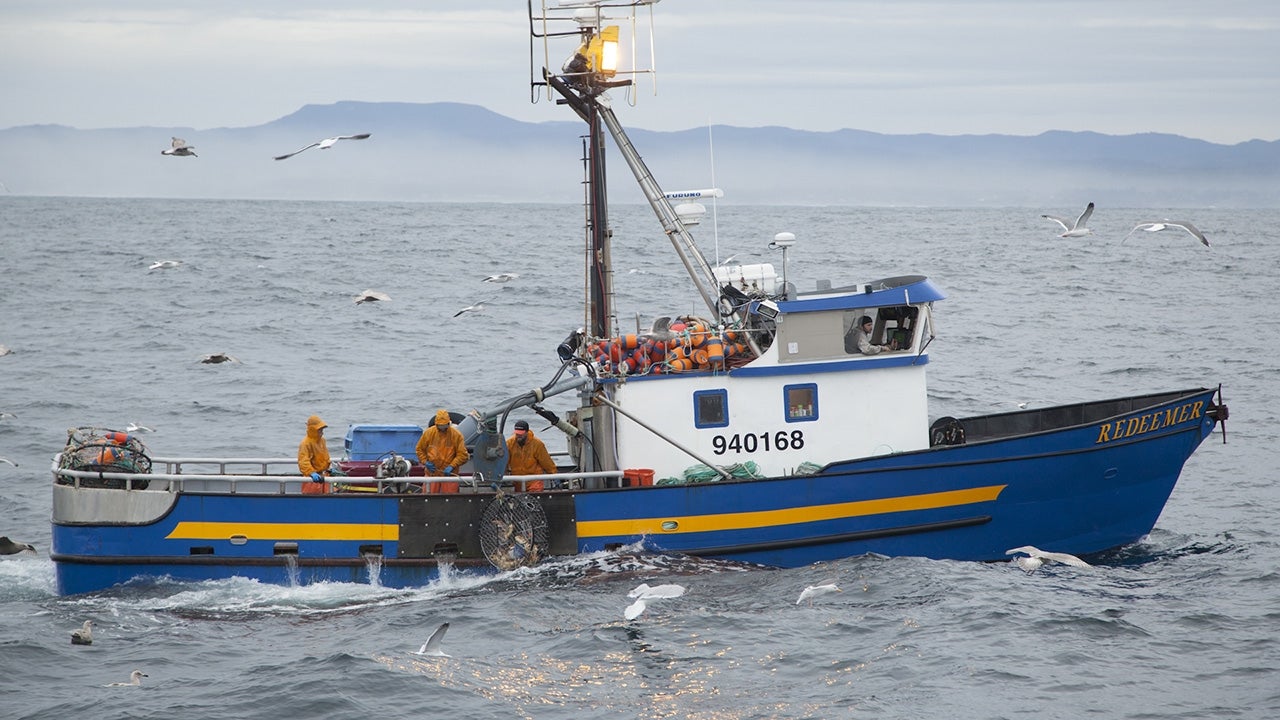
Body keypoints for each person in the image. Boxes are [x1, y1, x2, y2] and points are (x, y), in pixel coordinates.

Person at [506, 419, 556, 492]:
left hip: (534, 480)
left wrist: (554, 475)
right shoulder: (509, 443)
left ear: (527, 432)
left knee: (535, 494)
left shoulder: (537, 444)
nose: (519, 436)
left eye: (521, 434)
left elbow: (546, 462)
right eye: (517, 433)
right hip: (517, 480)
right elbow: (504, 462)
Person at [416, 409, 469, 477]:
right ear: (436, 424)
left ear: (449, 423)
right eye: (440, 425)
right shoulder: (428, 433)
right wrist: (425, 462)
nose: (442, 428)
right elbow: (419, 449)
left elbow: (463, 455)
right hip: (431, 474)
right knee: (429, 484)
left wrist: (452, 466)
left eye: (444, 425)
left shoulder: (456, 435)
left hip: (450, 474)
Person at [298, 415, 331, 494]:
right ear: (312, 430)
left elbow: (325, 458)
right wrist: (311, 473)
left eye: (322, 430)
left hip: (324, 477)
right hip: (312, 479)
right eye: (319, 430)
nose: (322, 432)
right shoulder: (305, 443)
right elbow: (303, 461)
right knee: (311, 498)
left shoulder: (322, 441)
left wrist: (329, 468)